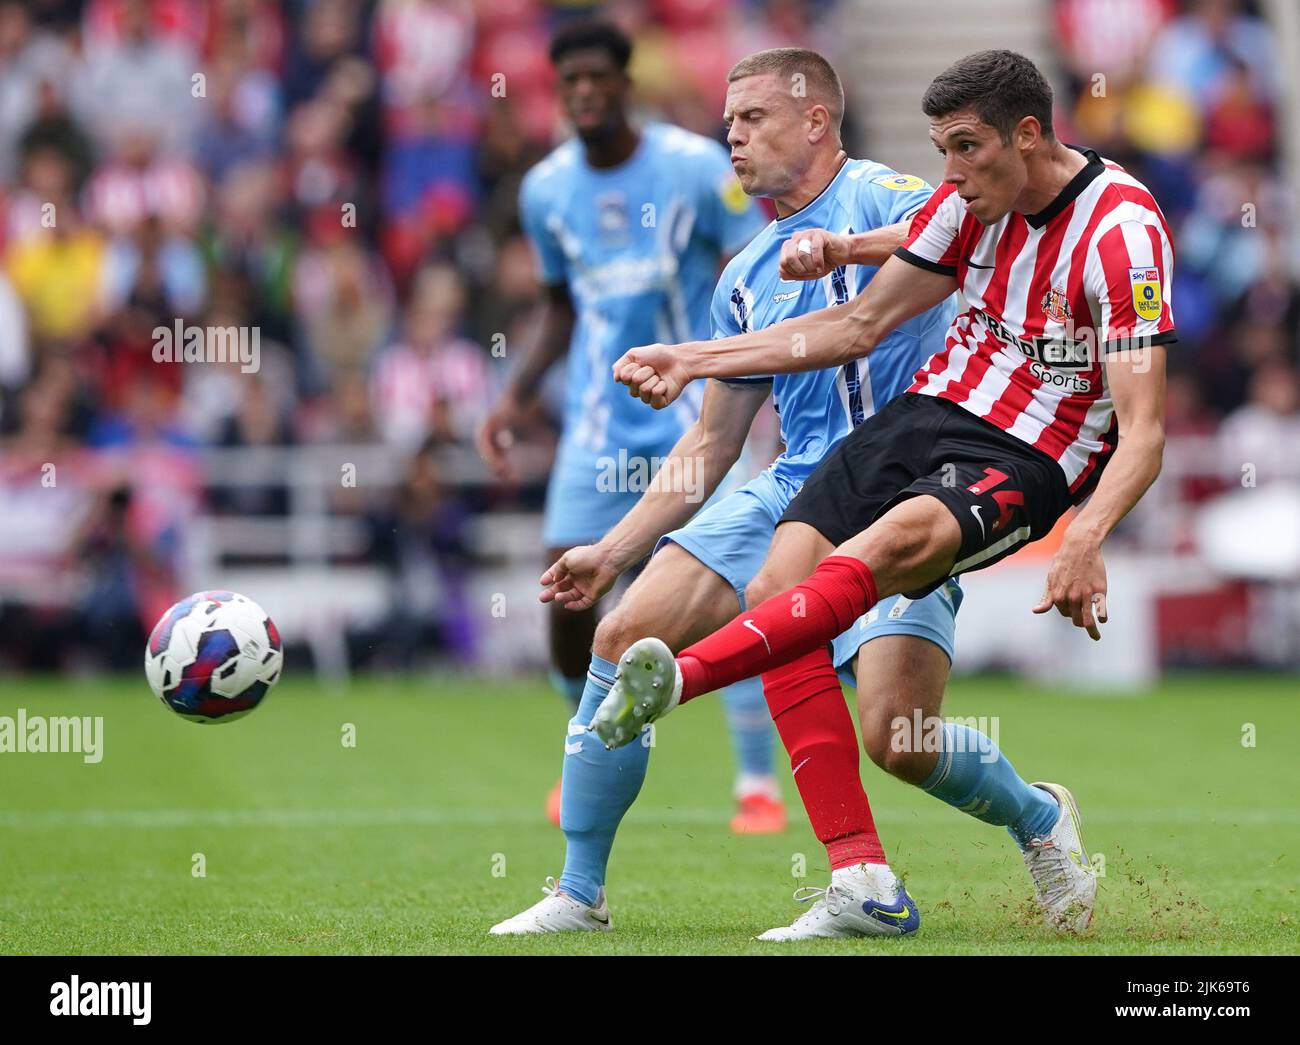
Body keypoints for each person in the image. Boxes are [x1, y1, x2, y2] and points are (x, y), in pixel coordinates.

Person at [600, 49, 1176, 936]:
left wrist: (1086, 537)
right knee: (801, 611)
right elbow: (855, 323)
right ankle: (864, 882)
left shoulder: (1121, 234)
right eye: (941, 148)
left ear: (1027, 135)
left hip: (1033, 452)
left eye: (966, 149)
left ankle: (684, 678)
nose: (948, 174)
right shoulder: (966, 201)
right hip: (931, 413)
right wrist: (691, 359)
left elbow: (1142, 431)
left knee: (891, 562)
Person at [491, 46, 959, 939]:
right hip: (791, 485)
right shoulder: (744, 275)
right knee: (624, 634)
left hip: (909, 489)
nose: (732, 138)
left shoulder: (881, 198)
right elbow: (709, 447)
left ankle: (1039, 817)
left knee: (903, 741)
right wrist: (610, 550)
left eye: (753, 120)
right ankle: (580, 890)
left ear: (816, 119)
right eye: (728, 122)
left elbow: (956, 227)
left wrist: (847, 248)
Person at [473, 21, 777, 831]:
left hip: (692, 422)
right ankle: (585, 751)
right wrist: (513, 398)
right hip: (593, 433)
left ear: (624, 81)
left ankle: (757, 786)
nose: (583, 93)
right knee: (568, 605)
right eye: (568, 81)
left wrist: (763, 382)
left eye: (597, 78)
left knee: (732, 594)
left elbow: (756, 271)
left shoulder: (696, 169)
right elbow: (561, 308)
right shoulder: (545, 190)